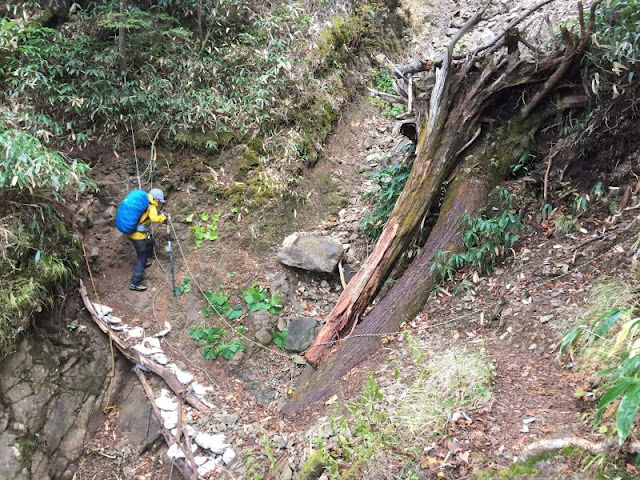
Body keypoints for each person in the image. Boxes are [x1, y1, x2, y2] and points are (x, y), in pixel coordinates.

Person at [127, 188, 168, 291]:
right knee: (142, 257)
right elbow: (154, 219)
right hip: (137, 236)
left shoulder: (144, 201)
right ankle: (134, 283)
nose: (159, 202)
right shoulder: (151, 206)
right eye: (159, 200)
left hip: (131, 232)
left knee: (151, 242)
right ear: (156, 199)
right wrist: (163, 217)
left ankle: (144, 261)